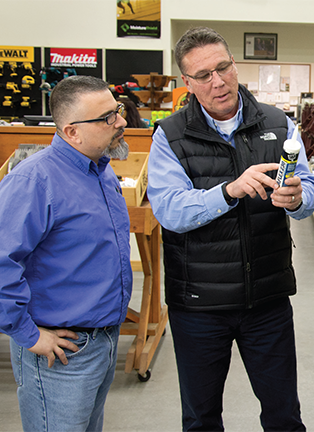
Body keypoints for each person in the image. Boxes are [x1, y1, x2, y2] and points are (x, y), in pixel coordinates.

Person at [147, 27, 314, 431]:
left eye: (222, 67)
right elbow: (169, 210)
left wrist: (297, 200)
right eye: (203, 75)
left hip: (268, 300)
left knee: (284, 416)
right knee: (202, 418)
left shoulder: (278, 124)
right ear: (187, 82)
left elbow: (307, 188)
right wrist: (229, 190)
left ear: (234, 65)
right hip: (199, 305)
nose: (217, 81)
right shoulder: (170, 136)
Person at [0, 75, 132, 432]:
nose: (121, 122)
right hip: (60, 352)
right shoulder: (34, 181)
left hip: (102, 341)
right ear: (72, 132)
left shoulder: (100, 171)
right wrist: (29, 334)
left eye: (117, 111)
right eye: (107, 118)